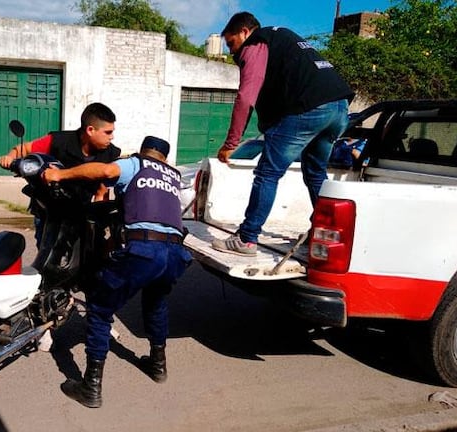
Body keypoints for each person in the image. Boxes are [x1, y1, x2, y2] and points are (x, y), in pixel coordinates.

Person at [42, 136, 193, 408]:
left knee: (100, 308)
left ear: (143, 152)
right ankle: (158, 365)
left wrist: (59, 174)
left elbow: (107, 171)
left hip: (146, 250)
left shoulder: (135, 164)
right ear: (165, 159)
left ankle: (90, 386)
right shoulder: (173, 175)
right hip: (175, 253)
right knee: (155, 302)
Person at [211, 12, 354, 257]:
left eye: (232, 43)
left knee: (267, 173)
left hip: (310, 108)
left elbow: (246, 97)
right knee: (315, 172)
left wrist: (230, 143)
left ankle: (246, 239)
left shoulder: (256, 43)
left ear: (245, 32)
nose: (233, 52)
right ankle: (323, 233)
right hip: (339, 107)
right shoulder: (283, 38)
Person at [0, 102, 121, 243]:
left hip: (81, 211)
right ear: (90, 130)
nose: (111, 137)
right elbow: (25, 148)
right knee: (46, 252)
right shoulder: (59, 141)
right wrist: (10, 157)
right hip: (49, 211)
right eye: (108, 132)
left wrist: (97, 219)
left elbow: (101, 192)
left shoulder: (111, 153)